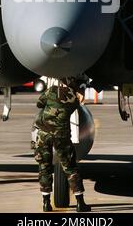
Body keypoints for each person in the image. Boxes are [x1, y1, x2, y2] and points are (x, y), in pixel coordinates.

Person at [33, 77, 91, 212]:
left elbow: (39, 104)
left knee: (44, 167)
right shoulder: (73, 98)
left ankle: (46, 203)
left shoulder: (51, 91)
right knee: (70, 168)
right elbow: (76, 107)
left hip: (44, 134)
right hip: (61, 136)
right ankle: (80, 203)